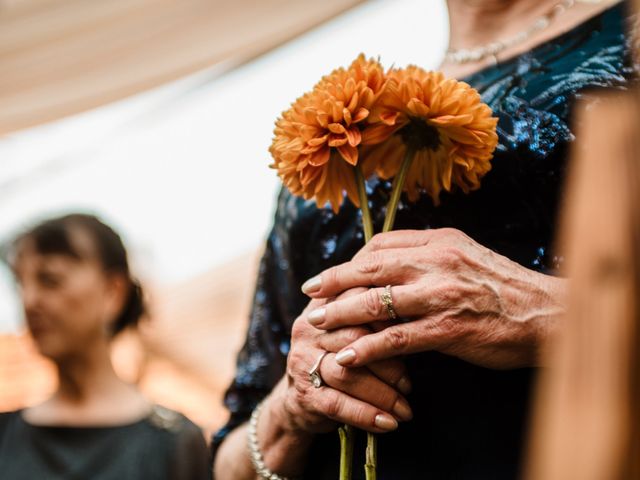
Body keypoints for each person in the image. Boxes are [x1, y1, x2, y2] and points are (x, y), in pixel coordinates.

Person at [212, 1, 635, 478]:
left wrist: (545, 312)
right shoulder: (330, 139)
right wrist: (289, 412)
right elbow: (229, 460)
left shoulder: (627, 40)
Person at [0, 214, 211, 480]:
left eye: (50, 279)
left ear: (113, 292)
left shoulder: (174, 443)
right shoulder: (5, 435)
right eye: (21, 284)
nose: (29, 301)